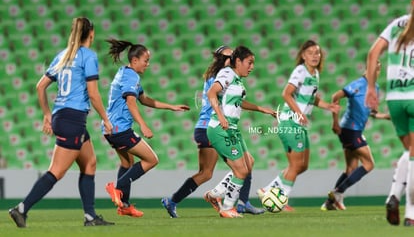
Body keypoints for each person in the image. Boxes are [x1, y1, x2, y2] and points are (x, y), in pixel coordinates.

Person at [8, 17, 114, 227]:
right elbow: (93, 94)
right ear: (90, 34)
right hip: (73, 120)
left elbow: (40, 86)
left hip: (63, 117)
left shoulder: (62, 57)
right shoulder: (88, 56)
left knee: (90, 163)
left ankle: (90, 216)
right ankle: (21, 209)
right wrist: (106, 119)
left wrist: (47, 115)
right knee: (56, 171)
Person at [161, 46, 264, 218]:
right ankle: (230, 200)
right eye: (229, 56)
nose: (232, 58)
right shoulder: (222, 76)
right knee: (239, 166)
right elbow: (215, 96)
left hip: (211, 126)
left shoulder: (223, 75)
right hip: (213, 126)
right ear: (222, 59)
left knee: (210, 172)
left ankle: (176, 201)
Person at [103, 38, 190, 218]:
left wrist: (171, 106)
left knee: (127, 163)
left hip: (110, 129)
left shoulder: (124, 73)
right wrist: (143, 125)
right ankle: (117, 187)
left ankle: (124, 205)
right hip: (121, 129)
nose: (148, 64)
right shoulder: (131, 76)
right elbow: (131, 101)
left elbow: (144, 99)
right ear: (135, 61)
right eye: (146, 60)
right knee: (151, 159)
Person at [257, 40, 340, 207]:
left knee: (302, 166)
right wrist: (299, 113)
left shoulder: (315, 74)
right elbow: (286, 94)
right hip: (291, 121)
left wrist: (328, 106)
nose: (315, 56)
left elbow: (311, 98)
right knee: (296, 165)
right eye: (310, 53)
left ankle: (268, 190)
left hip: (298, 124)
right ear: (303, 56)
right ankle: (281, 200)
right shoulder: (300, 71)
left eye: (317, 52)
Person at [205, 45, 277, 218]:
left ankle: (215, 195)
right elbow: (211, 93)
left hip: (232, 129)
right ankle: (228, 208)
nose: (252, 67)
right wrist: (221, 116)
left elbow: (239, 103)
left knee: (248, 163)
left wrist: (261, 109)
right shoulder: (227, 73)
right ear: (238, 61)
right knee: (241, 171)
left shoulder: (237, 78)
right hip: (221, 128)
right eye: (249, 63)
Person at [365, 0, 414, 226]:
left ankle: (394, 195)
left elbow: (373, 53)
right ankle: (411, 214)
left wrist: (371, 89)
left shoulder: (396, 24)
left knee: (411, 152)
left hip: (394, 99)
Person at [321, 61, 390, 211]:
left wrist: (386, 116)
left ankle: (330, 202)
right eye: (373, 69)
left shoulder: (375, 88)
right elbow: (335, 96)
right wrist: (335, 122)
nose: (375, 73)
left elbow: (372, 112)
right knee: (369, 164)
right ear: (367, 69)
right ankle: (337, 192)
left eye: (377, 70)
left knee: (351, 168)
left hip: (354, 131)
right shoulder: (358, 84)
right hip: (349, 130)